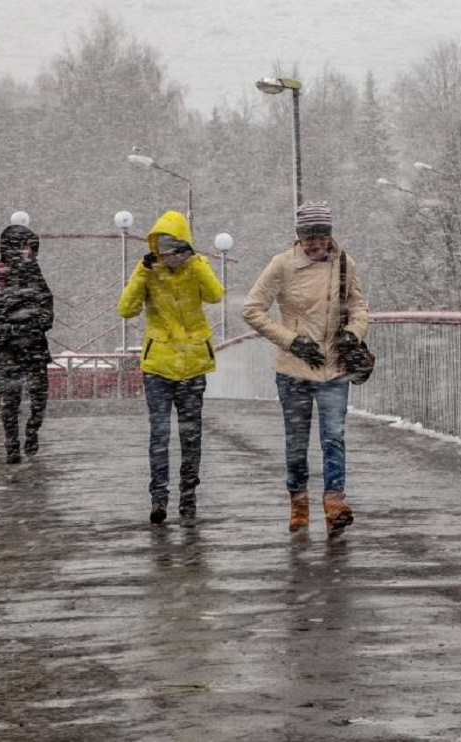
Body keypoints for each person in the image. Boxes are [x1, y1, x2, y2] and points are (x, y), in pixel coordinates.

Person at [243, 201, 369, 537]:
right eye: (307, 236)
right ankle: (299, 504)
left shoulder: (344, 264)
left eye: (320, 235)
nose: (314, 243)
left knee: (334, 438)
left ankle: (335, 504)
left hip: (334, 370)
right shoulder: (282, 265)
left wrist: (352, 334)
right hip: (294, 371)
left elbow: (359, 307)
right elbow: (252, 309)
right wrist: (291, 341)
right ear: (298, 236)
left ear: (330, 235)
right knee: (297, 443)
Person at [117, 210, 224, 525]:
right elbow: (126, 309)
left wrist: (198, 263)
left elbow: (216, 295)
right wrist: (141, 273)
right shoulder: (149, 273)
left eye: (174, 250)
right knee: (160, 434)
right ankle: (159, 498)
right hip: (159, 367)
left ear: (185, 247)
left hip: (192, 364)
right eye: (161, 250)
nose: (168, 257)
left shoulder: (195, 269)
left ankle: (188, 497)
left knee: (191, 436)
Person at [0, 224, 54, 464]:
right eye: (27, 246)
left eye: (32, 247)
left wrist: (40, 323)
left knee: (39, 397)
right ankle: (12, 444)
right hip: (8, 347)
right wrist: (3, 328)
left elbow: (47, 303)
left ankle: (32, 430)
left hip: (34, 345)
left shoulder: (34, 272)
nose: (30, 252)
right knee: (11, 399)